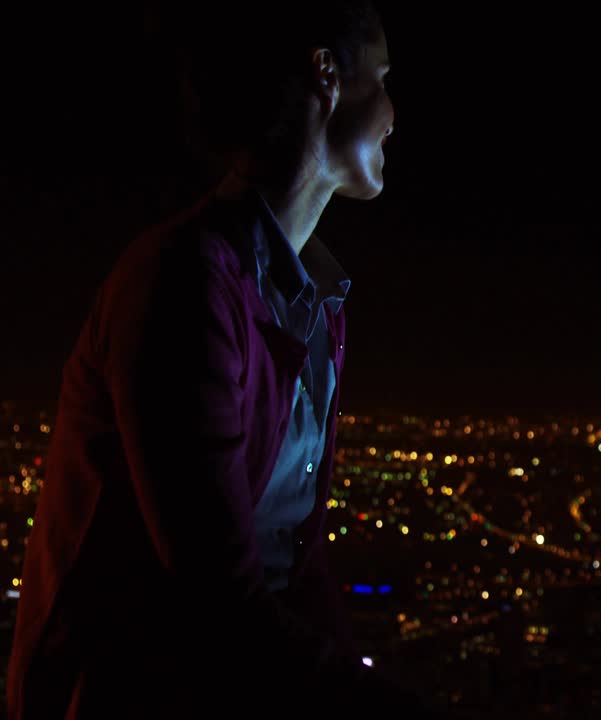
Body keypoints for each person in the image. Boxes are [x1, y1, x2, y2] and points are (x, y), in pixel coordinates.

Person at [6, 1, 434, 716]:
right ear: (326, 74)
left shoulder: (318, 304)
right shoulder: (182, 284)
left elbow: (294, 565)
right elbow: (220, 596)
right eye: (382, 77)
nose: (393, 110)